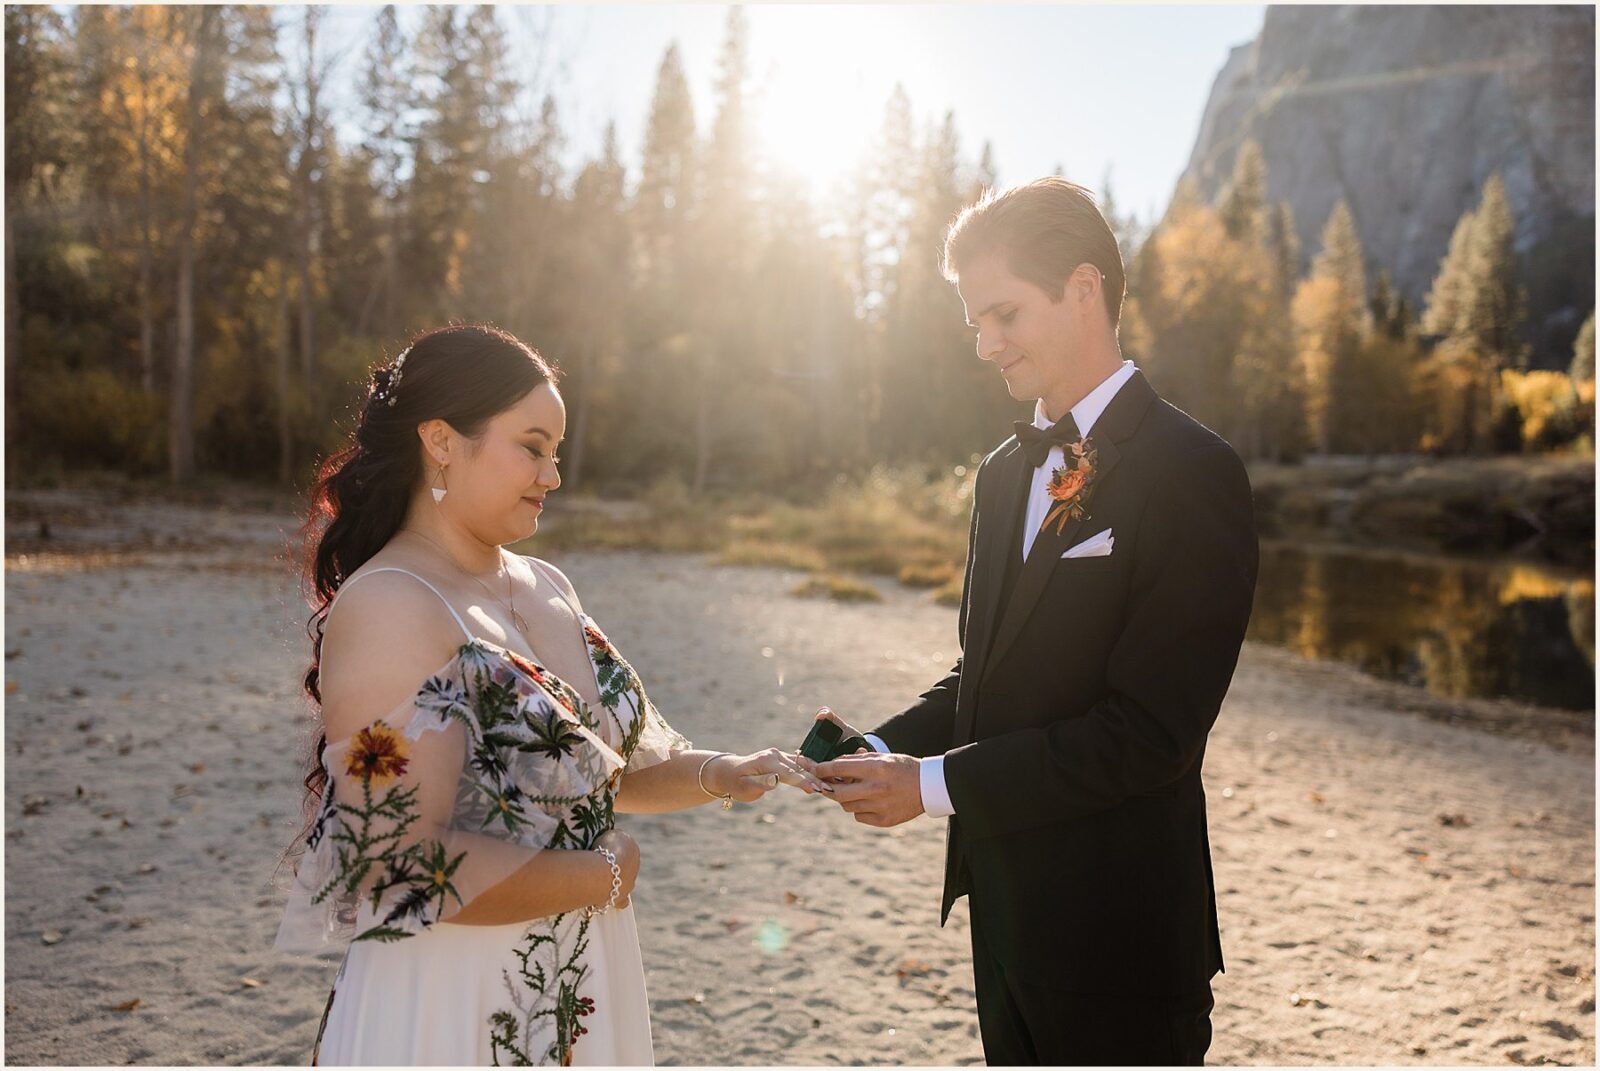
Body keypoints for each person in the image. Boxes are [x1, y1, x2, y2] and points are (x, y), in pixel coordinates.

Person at [275, 323, 828, 1066]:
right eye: (532, 446)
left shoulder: (546, 585)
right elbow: (392, 860)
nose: (553, 474)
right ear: (440, 440)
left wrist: (720, 773)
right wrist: (603, 875)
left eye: (555, 451)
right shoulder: (389, 606)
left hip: (583, 978)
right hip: (458, 996)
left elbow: (591, 775)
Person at [812, 178, 1259, 1065]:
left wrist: (931, 785)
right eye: (977, 321)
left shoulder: (1194, 471)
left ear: (1084, 290)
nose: (987, 345)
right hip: (1005, 924)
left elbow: (1149, 735)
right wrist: (875, 749)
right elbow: (983, 674)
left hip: (1124, 941)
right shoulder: (1001, 475)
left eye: (1004, 314)